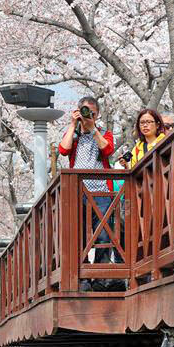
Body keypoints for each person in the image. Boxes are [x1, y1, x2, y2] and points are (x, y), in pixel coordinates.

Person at [58, 96, 120, 291]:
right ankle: (82, 278)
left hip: (101, 192)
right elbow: (63, 149)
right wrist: (72, 124)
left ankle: (101, 277)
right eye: (84, 112)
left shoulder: (105, 133)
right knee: (79, 235)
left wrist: (92, 128)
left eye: (92, 113)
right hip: (77, 192)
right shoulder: (74, 135)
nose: (88, 116)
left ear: (98, 114)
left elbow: (107, 149)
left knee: (103, 235)